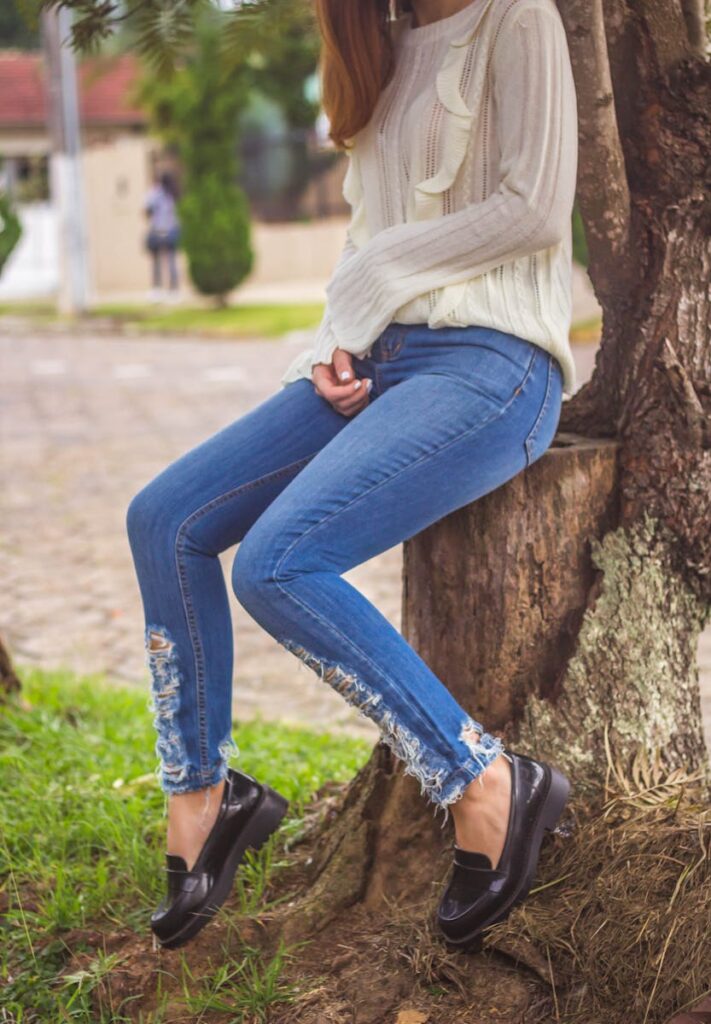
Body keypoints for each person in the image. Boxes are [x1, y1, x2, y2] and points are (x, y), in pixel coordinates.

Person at [126, 0, 579, 952]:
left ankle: (486, 781)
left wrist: (372, 279)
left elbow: (534, 206)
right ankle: (204, 794)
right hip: (376, 360)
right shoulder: (375, 40)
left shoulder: (518, 17)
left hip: (495, 364)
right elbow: (364, 241)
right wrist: (333, 344)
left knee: (278, 562)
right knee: (165, 518)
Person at [144, 171, 181, 301]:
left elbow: (147, 210)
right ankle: (174, 290)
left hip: (158, 229)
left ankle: (157, 289)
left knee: (157, 261)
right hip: (172, 229)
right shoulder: (173, 193)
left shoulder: (156, 193)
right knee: (171, 260)